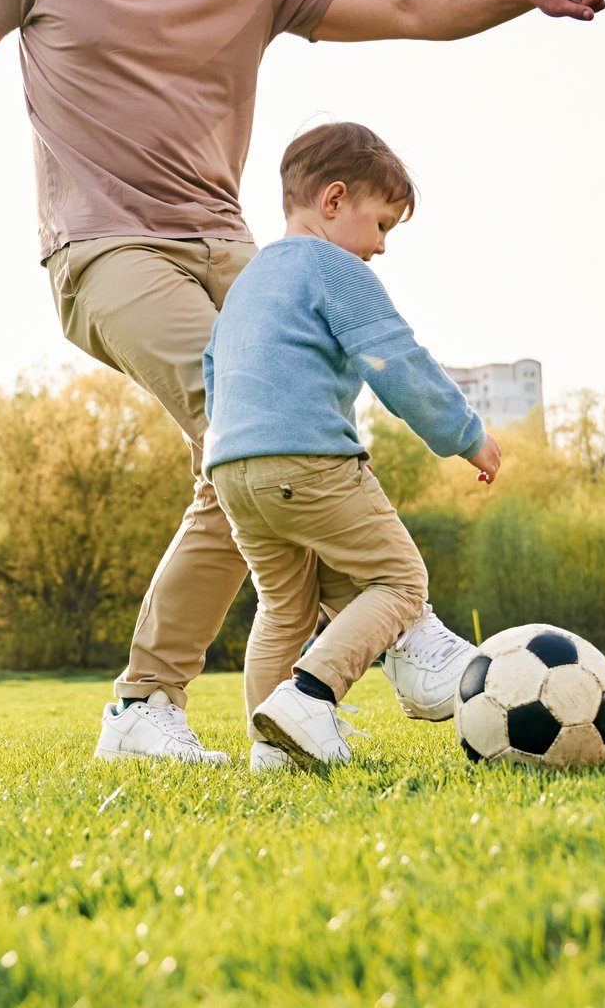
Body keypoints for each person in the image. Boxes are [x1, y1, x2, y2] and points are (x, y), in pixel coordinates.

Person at [0, 0, 605, 765]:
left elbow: (406, 7)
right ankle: (404, 636)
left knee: (253, 463)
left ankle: (180, 711)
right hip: (107, 249)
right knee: (247, 431)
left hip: (235, 251)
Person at [201, 121, 499, 771]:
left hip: (230, 468)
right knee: (398, 578)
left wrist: (227, 455)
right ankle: (311, 694)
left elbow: (211, 368)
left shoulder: (249, 281)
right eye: (384, 223)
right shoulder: (332, 265)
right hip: (309, 458)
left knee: (284, 604)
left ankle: (273, 749)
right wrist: (467, 434)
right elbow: (397, 362)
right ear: (333, 201)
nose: (384, 246)